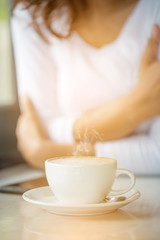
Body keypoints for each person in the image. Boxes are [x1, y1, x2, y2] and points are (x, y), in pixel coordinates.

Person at [11, 0, 160, 174]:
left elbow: (157, 154)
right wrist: (136, 106)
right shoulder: (33, 13)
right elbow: (42, 128)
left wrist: (48, 154)